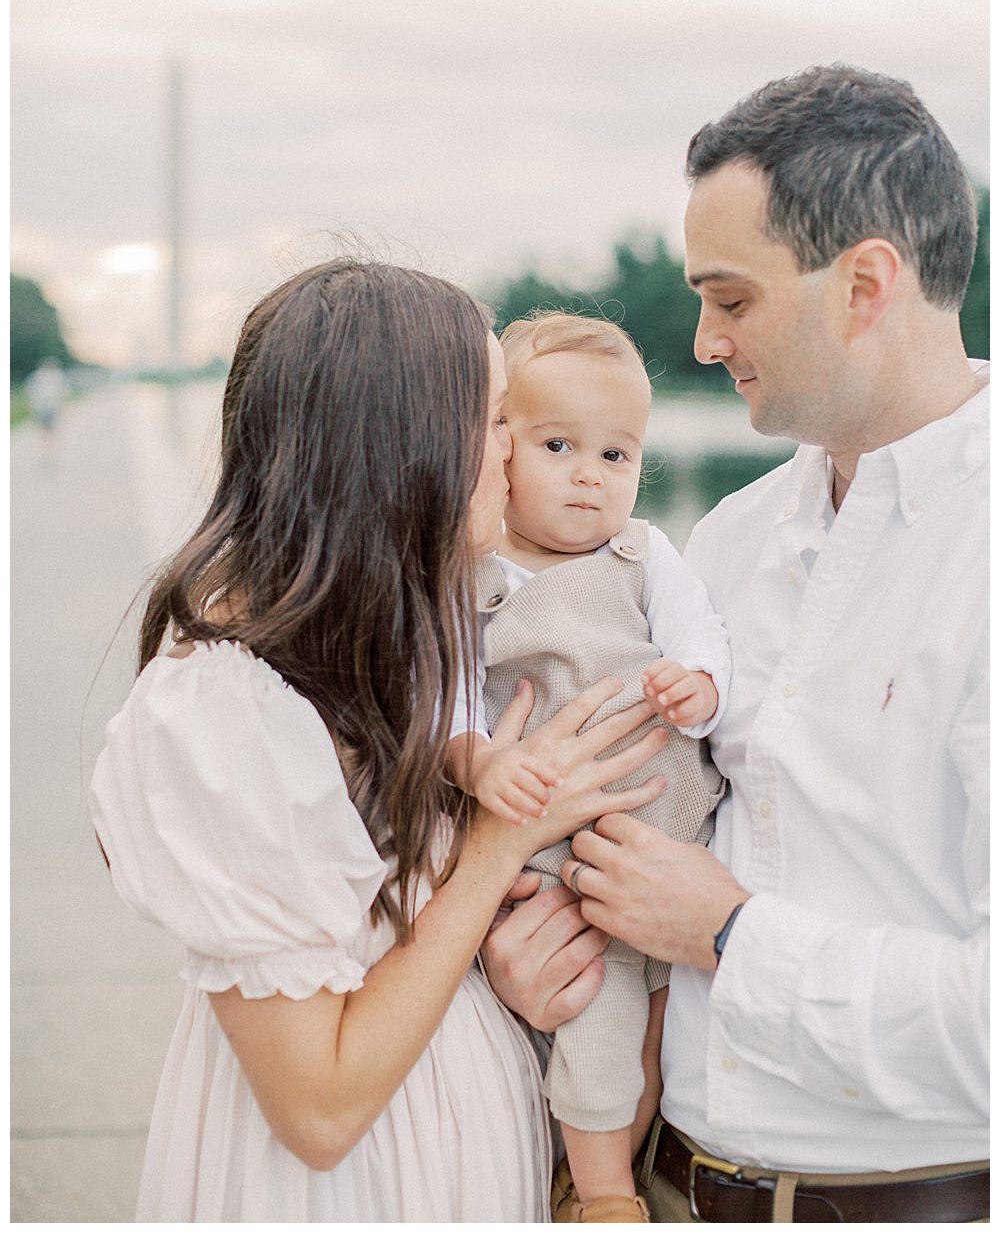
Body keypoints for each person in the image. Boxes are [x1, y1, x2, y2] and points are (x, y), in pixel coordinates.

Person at [483, 66, 989, 1222]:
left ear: (866, 283)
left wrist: (724, 931)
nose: (703, 342)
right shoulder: (720, 542)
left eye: (732, 298)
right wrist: (530, 961)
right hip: (663, 1186)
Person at [88, 258, 671, 1222]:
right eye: (494, 419)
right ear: (405, 446)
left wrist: (513, 974)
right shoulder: (227, 711)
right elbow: (317, 1108)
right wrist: (497, 847)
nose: (516, 454)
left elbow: (399, 949)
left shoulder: (419, 647)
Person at [447, 313, 730, 1222]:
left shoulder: (647, 553)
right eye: (558, 444)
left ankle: (595, 1175)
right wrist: (476, 762)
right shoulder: (474, 577)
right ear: (499, 453)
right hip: (554, 845)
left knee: (662, 1019)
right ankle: (604, 1191)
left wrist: (699, 685)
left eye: (616, 455)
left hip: (665, 818)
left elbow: (702, 635)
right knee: (598, 1004)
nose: (588, 475)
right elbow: (445, 696)